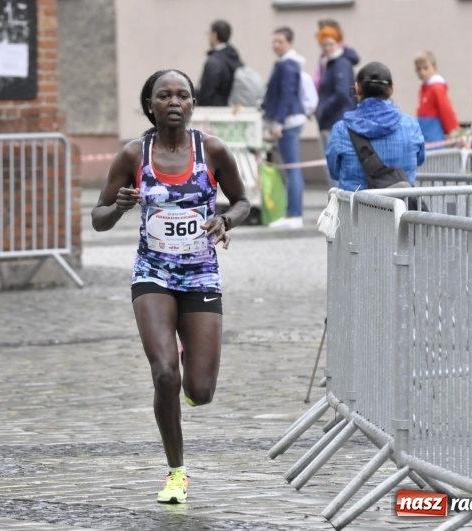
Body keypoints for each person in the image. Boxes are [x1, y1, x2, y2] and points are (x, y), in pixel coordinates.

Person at [91, 69, 249, 504]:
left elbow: (243, 201)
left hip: (200, 274)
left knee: (200, 391)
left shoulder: (211, 150)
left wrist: (226, 219)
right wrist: (119, 207)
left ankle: (187, 359)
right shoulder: (132, 156)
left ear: (193, 104)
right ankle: (176, 472)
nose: (174, 101)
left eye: (183, 95)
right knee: (164, 374)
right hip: (153, 275)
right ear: (151, 105)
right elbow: (98, 218)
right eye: (165, 95)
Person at [326, 62, 425, 192]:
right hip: (401, 208)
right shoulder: (411, 126)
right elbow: (420, 160)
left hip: (355, 209)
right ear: (391, 90)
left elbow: (334, 172)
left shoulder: (341, 130)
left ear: (357, 89)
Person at [262, 26, 316, 230]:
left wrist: (278, 122)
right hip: (289, 120)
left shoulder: (288, 64)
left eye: (280, 41)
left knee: (292, 168)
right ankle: (292, 213)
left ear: (290, 43)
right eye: (274, 41)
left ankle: (294, 214)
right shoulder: (286, 63)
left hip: (288, 122)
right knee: (291, 167)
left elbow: (286, 95)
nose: (276, 45)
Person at [315, 23, 359, 188]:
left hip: (336, 119)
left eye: (331, 44)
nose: (327, 48)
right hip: (330, 119)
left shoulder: (340, 64)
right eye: (324, 44)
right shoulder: (327, 63)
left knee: (334, 165)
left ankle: (338, 203)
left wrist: (322, 110)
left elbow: (343, 93)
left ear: (339, 44)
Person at [414, 51, 460, 145]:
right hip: (425, 135)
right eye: (419, 69)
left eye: (425, 68)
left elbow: (446, 110)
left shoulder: (436, 88)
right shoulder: (423, 88)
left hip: (434, 137)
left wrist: (453, 132)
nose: (422, 72)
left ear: (434, 68)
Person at [196, 20, 244, 107]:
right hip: (231, 110)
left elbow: (207, 93)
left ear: (214, 35)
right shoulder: (234, 57)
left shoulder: (214, 62)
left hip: (216, 112)